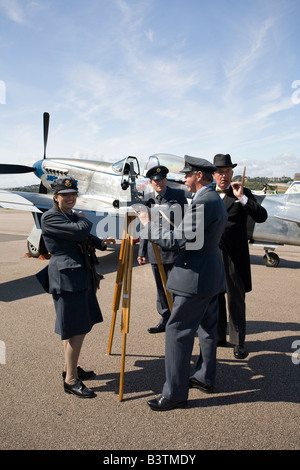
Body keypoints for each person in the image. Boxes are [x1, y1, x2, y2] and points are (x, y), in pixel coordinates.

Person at [136, 155, 228, 411]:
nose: (184, 179)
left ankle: (175, 393)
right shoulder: (213, 198)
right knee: (207, 329)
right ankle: (204, 377)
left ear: (198, 176)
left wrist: (147, 225)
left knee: (177, 331)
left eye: (187, 174)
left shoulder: (203, 202)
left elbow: (177, 240)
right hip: (210, 275)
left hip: (195, 277)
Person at [39, 177, 115, 398]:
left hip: (79, 276)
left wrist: (100, 242)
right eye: (65, 195)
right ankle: (71, 380)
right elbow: (79, 231)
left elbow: (83, 237)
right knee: (76, 329)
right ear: (56, 197)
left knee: (75, 327)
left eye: (73, 194)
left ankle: (69, 369)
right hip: (68, 280)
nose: (70, 198)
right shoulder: (50, 217)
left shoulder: (67, 215)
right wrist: (83, 219)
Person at [213, 154, 268, 359]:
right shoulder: (208, 194)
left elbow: (261, 216)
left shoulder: (242, 193)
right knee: (214, 297)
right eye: (219, 171)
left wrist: (241, 198)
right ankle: (218, 337)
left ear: (232, 173)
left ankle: (238, 342)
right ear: (214, 174)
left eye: (227, 171)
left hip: (233, 256)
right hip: (212, 254)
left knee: (235, 299)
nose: (223, 175)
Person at [137, 165, 187, 334]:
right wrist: (141, 252)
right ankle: (165, 318)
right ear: (151, 182)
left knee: (175, 287)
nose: (160, 183)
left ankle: (178, 320)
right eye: (156, 180)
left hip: (174, 250)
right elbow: (144, 226)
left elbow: (186, 223)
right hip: (155, 251)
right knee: (160, 288)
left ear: (166, 179)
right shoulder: (148, 198)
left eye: (162, 179)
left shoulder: (178, 196)